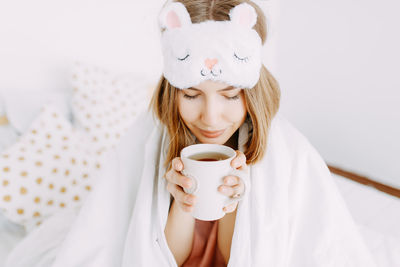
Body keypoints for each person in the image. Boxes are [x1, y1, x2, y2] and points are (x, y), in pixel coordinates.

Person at [4, 0, 376, 266]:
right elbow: (156, 257)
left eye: (230, 96)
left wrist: (238, 205)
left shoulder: (285, 151)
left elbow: (250, 257)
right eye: (192, 95)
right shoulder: (150, 139)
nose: (210, 117)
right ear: (173, 90)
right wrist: (183, 205)